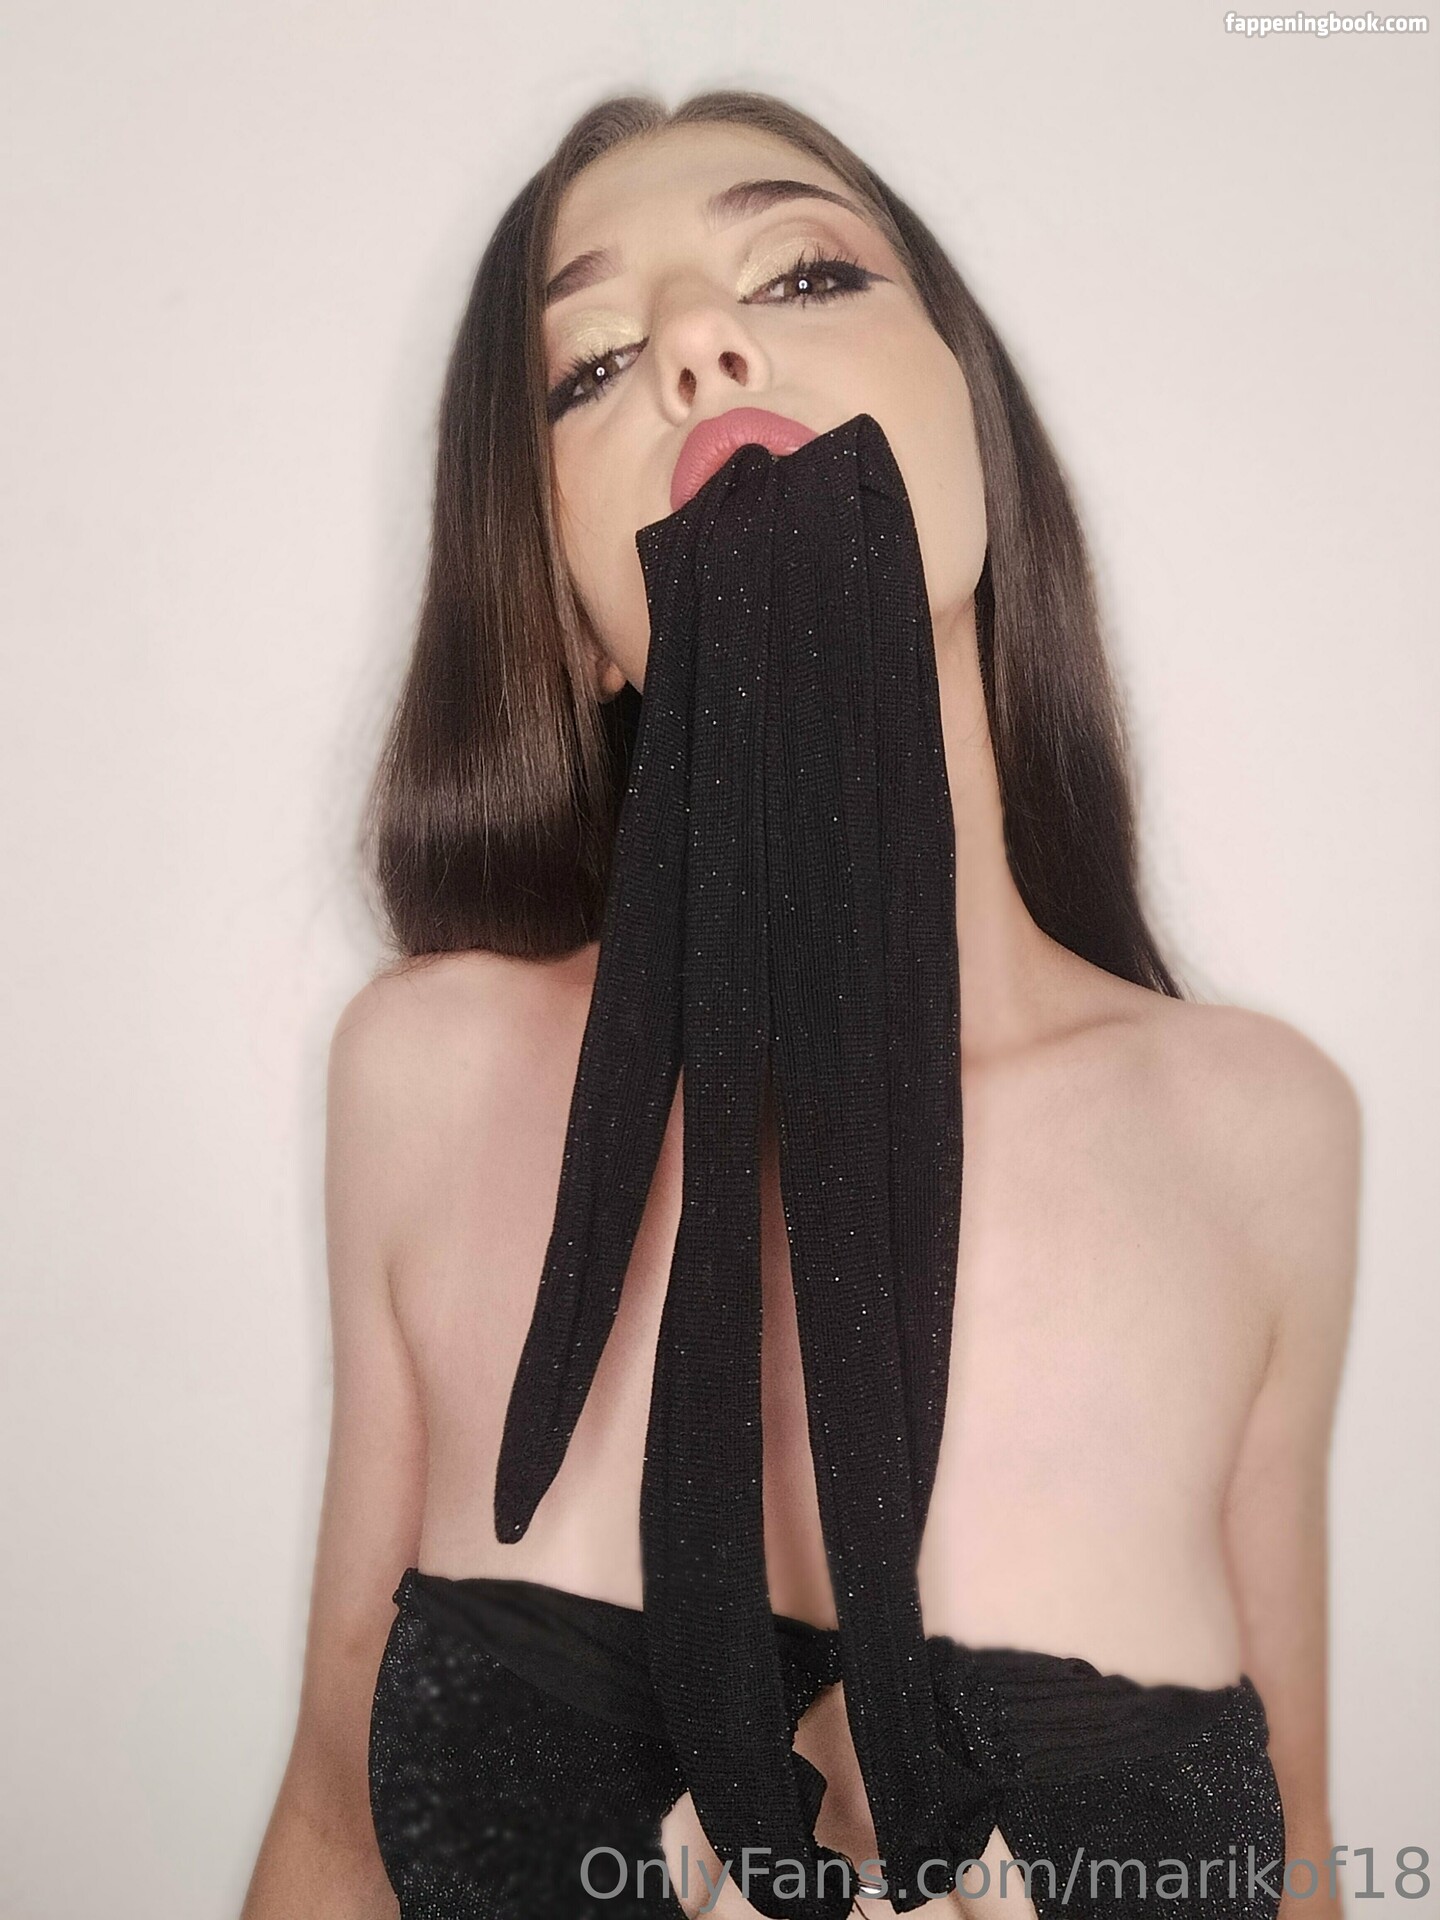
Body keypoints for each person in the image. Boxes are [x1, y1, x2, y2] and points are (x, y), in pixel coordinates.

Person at [240, 88, 1361, 1920]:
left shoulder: (1259, 1134)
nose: (698, 340)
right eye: (592, 366)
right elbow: (331, 1830)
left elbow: (1303, 1866)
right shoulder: (424, 1076)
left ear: (980, 440)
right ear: (573, 616)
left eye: (806, 272)